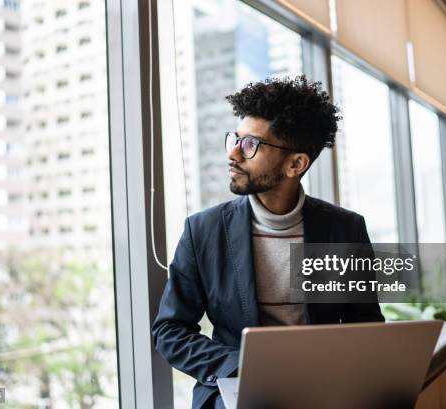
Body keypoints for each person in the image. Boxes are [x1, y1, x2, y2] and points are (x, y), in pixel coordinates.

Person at [152, 76, 384, 409]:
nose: (233, 153)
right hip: (239, 388)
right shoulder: (203, 231)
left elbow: (366, 325)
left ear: (296, 164)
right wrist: (240, 366)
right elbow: (170, 330)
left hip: (322, 387)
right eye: (235, 139)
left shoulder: (344, 230)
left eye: (250, 145)